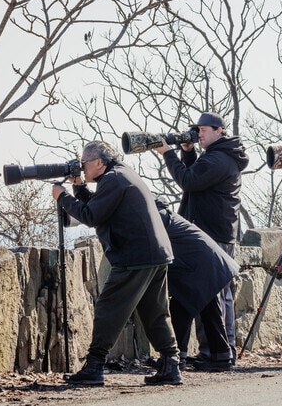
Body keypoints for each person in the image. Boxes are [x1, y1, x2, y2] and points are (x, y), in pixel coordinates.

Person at [52, 141, 182, 386]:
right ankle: (171, 365)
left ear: (99, 162)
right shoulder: (121, 175)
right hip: (155, 253)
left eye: (84, 163)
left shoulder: (113, 180)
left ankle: (94, 367)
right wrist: (79, 188)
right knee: (155, 312)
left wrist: (63, 198)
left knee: (108, 309)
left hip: (135, 257)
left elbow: (91, 216)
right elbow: (99, 206)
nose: (81, 167)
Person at [154, 111, 249, 370]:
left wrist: (168, 154)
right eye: (197, 129)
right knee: (207, 293)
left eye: (204, 129)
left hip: (214, 232)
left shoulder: (220, 158)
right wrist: (187, 152)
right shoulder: (218, 155)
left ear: (220, 131)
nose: (199, 134)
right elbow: (197, 175)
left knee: (213, 293)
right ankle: (213, 351)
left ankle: (220, 351)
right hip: (213, 230)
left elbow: (189, 181)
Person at [156, 199, 240, 372]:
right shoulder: (165, 216)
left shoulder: (158, 218)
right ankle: (220, 356)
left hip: (201, 265)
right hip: (207, 263)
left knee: (183, 306)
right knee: (206, 308)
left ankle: (176, 358)